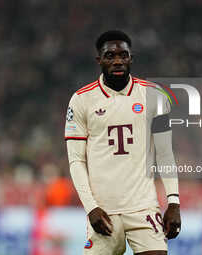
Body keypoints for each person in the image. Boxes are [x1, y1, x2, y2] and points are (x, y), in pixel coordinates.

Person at [65, 30, 181, 255]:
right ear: (99, 60)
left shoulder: (154, 96)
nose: (117, 60)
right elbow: (76, 160)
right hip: (104, 211)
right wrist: (91, 208)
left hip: (143, 206)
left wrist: (173, 202)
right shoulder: (81, 100)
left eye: (123, 55)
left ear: (131, 58)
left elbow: (165, 154)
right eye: (110, 56)